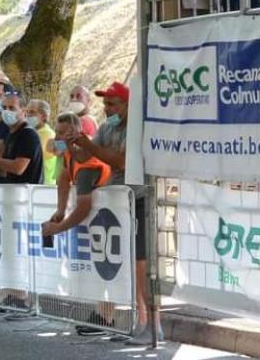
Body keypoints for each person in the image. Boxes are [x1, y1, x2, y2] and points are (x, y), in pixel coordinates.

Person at [66, 81, 160, 344]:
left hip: (139, 199)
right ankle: (135, 322)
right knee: (124, 266)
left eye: (112, 103)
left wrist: (88, 145)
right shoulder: (106, 128)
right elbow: (87, 156)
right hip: (117, 203)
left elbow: (121, 161)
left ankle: (152, 324)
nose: (107, 109)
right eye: (105, 104)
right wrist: (73, 146)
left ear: (127, 105)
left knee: (142, 265)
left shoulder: (136, 128)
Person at [41, 112, 112, 333]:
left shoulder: (87, 164)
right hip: (101, 220)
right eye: (57, 132)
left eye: (62, 134)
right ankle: (102, 315)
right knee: (101, 267)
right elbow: (63, 178)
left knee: (108, 268)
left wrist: (58, 228)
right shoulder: (70, 155)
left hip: (109, 219)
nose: (57, 138)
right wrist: (61, 210)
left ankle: (107, 316)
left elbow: (83, 207)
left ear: (75, 133)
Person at [0, 90, 43, 186]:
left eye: (11, 108)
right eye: (4, 108)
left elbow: (18, 168)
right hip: (11, 193)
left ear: (23, 111)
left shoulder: (28, 134)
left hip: (26, 195)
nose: (6, 111)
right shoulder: (9, 134)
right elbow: (4, 171)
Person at [27, 99, 57, 185]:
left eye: (32, 112)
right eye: (27, 112)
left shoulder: (47, 134)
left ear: (44, 116)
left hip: (45, 186)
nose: (28, 115)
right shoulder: (34, 133)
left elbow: (30, 156)